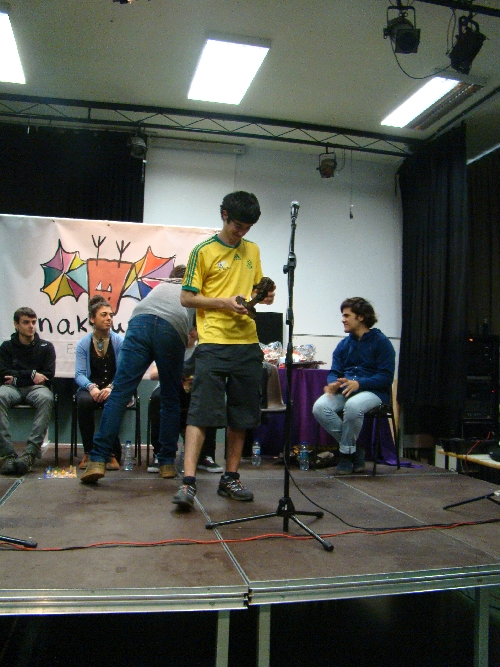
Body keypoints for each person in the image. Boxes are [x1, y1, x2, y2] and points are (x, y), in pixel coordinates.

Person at [172, 190, 275, 510]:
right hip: (213, 342)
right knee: (200, 413)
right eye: (237, 226)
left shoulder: (253, 250)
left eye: (248, 228)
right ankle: (188, 482)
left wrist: (264, 296)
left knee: (241, 415)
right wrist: (224, 303)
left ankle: (230, 478)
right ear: (224, 215)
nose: (241, 232)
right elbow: (187, 298)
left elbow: (257, 290)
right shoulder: (202, 251)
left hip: (247, 343)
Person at [80, 274, 195, 484]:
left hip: (139, 321)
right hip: (171, 327)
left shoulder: (161, 287)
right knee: (170, 397)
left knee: (119, 394)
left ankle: (97, 460)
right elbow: (192, 337)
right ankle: (166, 463)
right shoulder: (193, 290)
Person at [312, 297, 395, 475]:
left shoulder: (381, 342)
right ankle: (355, 451)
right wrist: (333, 383)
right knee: (320, 407)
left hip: (374, 392)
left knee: (353, 406)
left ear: (361, 317)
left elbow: (386, 377)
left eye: (346, 315)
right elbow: (334, 371)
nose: (343, 319)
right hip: (347, 390)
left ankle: (345, 455)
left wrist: (359, 383)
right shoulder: (343, 344)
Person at [0, 307, 56, 475]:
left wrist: (17, 376)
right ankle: (7, 455)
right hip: (11, 388)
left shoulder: (46, 347)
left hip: (36, 389)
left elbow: (47, 376)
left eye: (33, 322)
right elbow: (2, 374)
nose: (31, 326)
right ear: (16, 325)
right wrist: (31, 374)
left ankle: (29, 454)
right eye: (26, 322)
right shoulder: (6, 347)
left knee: (46, 398)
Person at [74, 296, 124, 470]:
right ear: (92, 319)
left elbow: (123, 373)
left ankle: (110, 453)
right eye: (104, 315)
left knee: (113, 401)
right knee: (84, 401)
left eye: (111, 315)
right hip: (91, 387)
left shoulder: (119, 342)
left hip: (113, 387)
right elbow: (79, 374)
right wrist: (91, 387)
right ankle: (88, 452)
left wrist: (111, 387)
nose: (109, 318)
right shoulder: (83, 344)